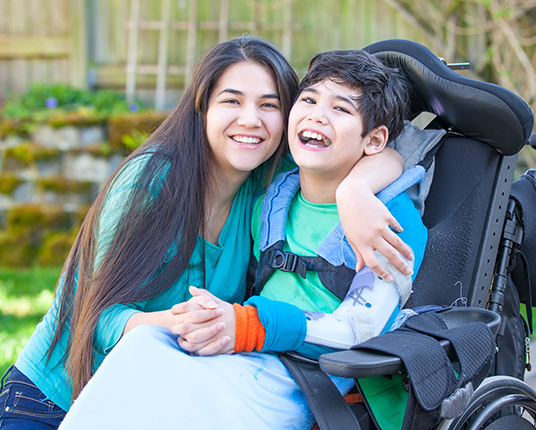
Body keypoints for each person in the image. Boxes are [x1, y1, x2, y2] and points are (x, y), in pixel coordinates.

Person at [0, 37, 410, 430]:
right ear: (203, 107)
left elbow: (378, 150)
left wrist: (354, 191)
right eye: (231, 101)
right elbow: (95, 317)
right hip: (52, 399)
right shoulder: (150, 181)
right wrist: (198, 324)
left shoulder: (271, 184)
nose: (250, 120)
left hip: (159, 398)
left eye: (269, 105)